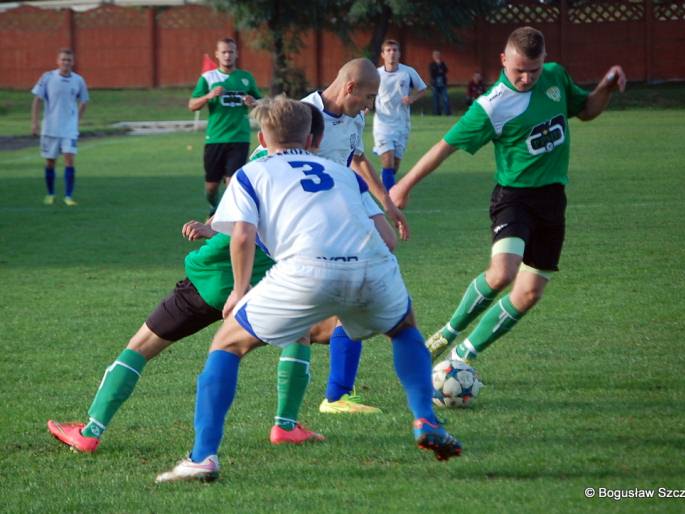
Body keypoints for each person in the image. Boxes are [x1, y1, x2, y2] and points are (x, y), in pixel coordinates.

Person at [155, 97, 461, 483]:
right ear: (314, 138)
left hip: (305, 269)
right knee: (403, 329)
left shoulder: (252, 173)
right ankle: (425, 418)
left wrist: (240, 289)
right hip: (373, 265)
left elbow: (242, 235)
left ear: (263, 137)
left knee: (227, 345)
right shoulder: (344, 173)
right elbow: (388, 240)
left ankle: (202, 457)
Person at [47, 106, 339, 452]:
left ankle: (91, 430)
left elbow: (241, 217)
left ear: (266, 137)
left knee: (140, 348)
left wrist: (212, 227)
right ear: (314, 140)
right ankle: (285, 425)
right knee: (299, 332)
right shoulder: (324, 175)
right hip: (258, 283)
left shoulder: (260, 163)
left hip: (212, 279)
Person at [390, 26, 626, 365]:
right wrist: (404, 185)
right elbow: (446, 146)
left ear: (545, 60)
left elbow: (586, 110)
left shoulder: (555, 77)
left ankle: (460, 358)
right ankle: (448, 332)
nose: (527, 78)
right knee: (503, 272)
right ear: (503, 60)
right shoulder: (491, 105)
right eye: (518, 71)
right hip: (514, 198)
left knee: (530, 292)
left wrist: (605, 87)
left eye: (533, 70)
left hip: (552, 200)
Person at [299, 58, 409, 415]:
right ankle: (336, 390)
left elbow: (357, 156)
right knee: (361, 285)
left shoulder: (354, 115)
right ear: (349, 88)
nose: (369, 106)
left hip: (348, 191)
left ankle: (326, 334)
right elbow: (264, 159)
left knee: (387, 247)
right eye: (367, 97)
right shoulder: (303, 115)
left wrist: (386, 202)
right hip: (318, 205)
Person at [189, 38, 262, 215]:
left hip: (239, 137)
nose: (227, 55)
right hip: (215, 137)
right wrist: (208, 96)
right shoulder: (208, 78)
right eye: (224, 52)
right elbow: (192, 105)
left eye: (231, 52)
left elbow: (260, 103)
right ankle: (214, 206)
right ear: (217, 54)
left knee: (232, 182)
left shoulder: (246, 78)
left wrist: (253, 102)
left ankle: (225, 217)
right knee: (211, 187)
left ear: (236, 54)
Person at [31, 48, 89, 207]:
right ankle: (50, 194)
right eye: (63, 59)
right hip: (50, 127)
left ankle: (68, 196)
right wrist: (35, 122)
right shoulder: (47, 77)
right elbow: (37, 100)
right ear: (58, 61)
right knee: (50, 162)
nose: (66, 62)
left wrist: (76, 120)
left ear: (73, 62)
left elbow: (84, 101)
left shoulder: (78, 80)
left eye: (69, 60)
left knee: (69, 160)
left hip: (69, 129)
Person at [372, 39, 428, 191]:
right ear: (383, 54)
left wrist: (412, 98)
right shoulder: (376, 74)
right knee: (388, 160)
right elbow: (368, 93)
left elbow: (423, 89)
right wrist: (365, 107)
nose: (392, 53)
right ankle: (390, 197)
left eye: (395, 50)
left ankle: (385, 178)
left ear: (399, 54)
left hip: (402, 124)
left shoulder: (407, 72)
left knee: (394, 165)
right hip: (382, 124)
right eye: (388, 50)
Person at [429, 50, 450, 116]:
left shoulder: (442, 63)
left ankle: (447, 113)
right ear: (433, 57)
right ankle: (437, 113)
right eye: (435, 55)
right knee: (436, 99)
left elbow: (446, 70)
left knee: (445, 98)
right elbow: (432, 73)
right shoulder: (431, 64)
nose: (437, 57)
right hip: (435, 84)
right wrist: (438, 68)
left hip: (443, 83)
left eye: (438, 55)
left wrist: (440, 65)